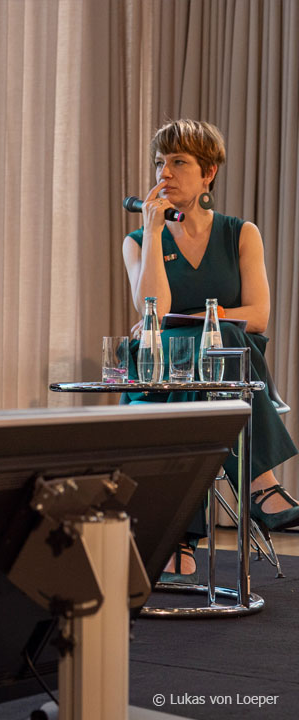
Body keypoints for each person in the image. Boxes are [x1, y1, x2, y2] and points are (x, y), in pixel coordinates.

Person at [121, 119, 299, 580]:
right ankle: (263, 489)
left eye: (179, 162)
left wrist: (199, 319)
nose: (165, 173)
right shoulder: (139, 241)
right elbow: (153, 313)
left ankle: (180, 533)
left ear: (209, 173)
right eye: (160, 162)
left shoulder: (241, 233)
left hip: (224, 367)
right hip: (162, 372)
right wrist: (156, 233)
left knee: (221, 341)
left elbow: (257, 315)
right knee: (193, 342)